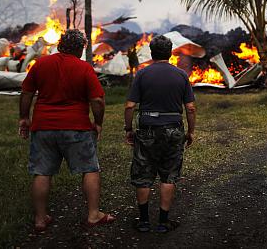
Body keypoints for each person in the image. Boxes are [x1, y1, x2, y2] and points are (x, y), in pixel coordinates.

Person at [18, 29, 115, 231]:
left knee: (42, 172)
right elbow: (97, 100)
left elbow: (26, 92)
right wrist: (98, 122)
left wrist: (24, 117)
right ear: (80, 48)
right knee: (89, 168)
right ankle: (93, 215)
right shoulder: (84, 68)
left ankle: (40, 219)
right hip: (76, 127)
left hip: (43, 127)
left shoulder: (41, 64)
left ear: (61, 44)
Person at [124, 35, 196, 233]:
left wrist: (129, 129)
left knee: (143, 174)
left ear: (151, 52)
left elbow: (130, 105)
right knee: (169, 175)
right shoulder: (181, 75)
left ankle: (144, 221)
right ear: (170, 52)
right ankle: (163, 222)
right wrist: (190, 132)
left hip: (147, 129)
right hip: (173, 130)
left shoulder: (142, 74)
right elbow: (190, 108)